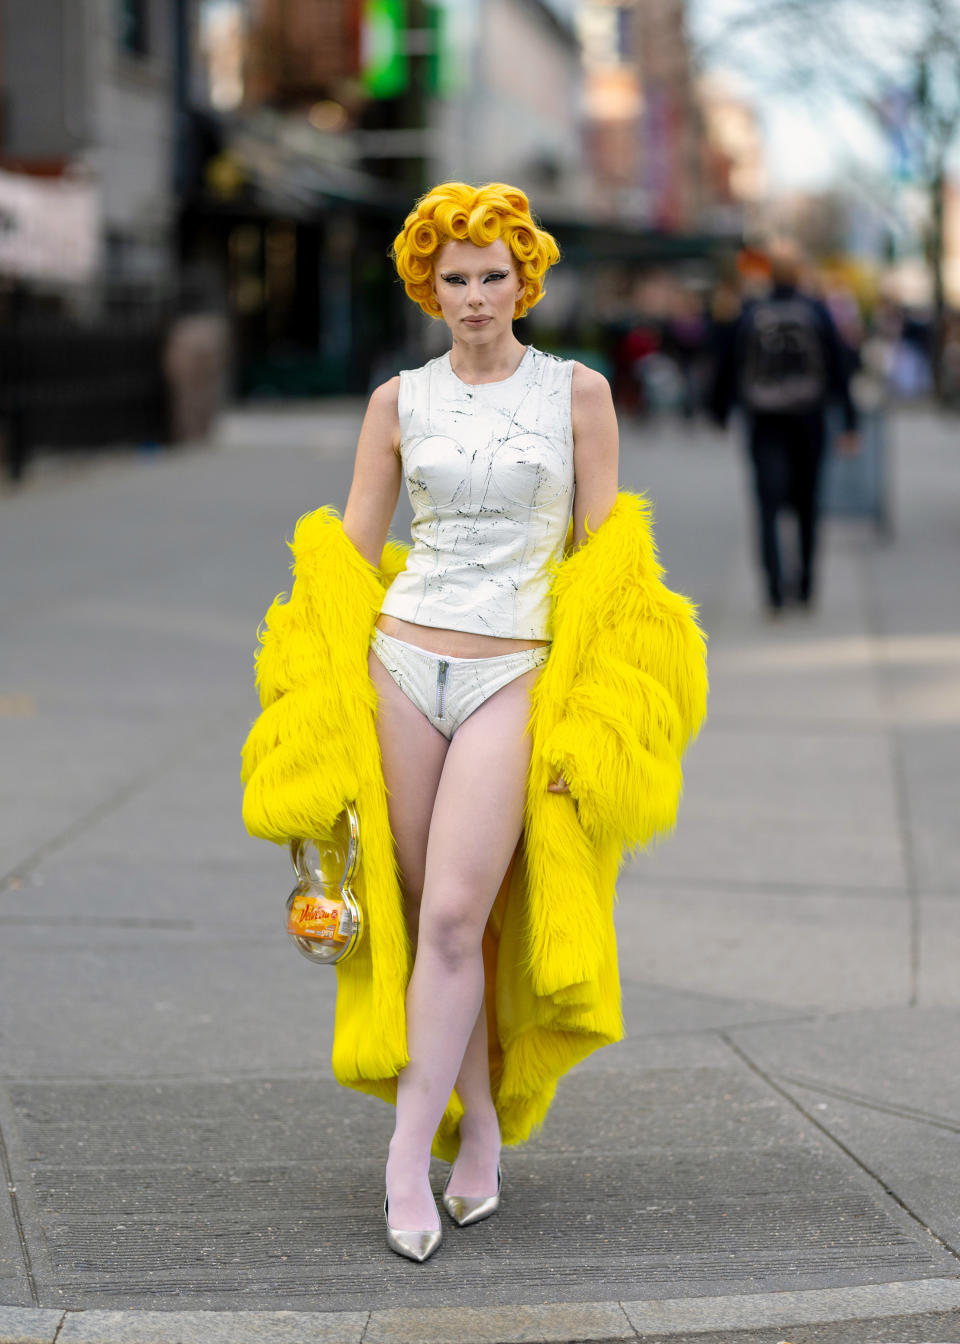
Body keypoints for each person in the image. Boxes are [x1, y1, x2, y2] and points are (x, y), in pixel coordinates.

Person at [240, 182, 708, 1263]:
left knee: (458, 917)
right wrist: (311, 692)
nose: (476, 295)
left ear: (525, 277)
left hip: (514, 675)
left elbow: (604, 575)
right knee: (412, 911)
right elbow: (348, 559)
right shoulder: (395, 402)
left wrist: (591, 724)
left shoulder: (580, 395)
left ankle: (409, 1157)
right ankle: (480, 1125)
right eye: (455, 278)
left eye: (494, 275)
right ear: (427, 285)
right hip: (401, 661)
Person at [710, 240, 859, 614]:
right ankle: (806, 585)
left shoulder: (752, 311)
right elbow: (840, 367)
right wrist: (850, 421)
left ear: (769, 273)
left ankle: (774, 588)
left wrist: (718, 410)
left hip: (764, 421)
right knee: (808, 504)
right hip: (809, 420)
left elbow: (727, 362)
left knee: (767, 505)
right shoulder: (817, 311)